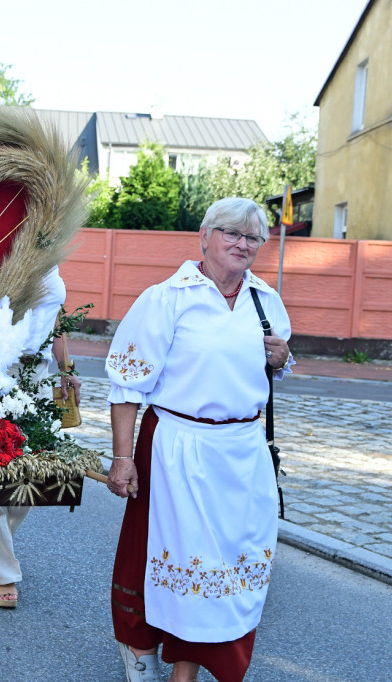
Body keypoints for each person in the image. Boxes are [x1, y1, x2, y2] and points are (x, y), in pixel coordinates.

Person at [105, 197, 294, 682]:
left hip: (243, 455)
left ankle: (201, 668)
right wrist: (122, 459)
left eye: (252, 237)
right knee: (186, 565)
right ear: (205, 237)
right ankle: (161, 662)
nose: (242, 244)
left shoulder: (265, 302)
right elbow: (127, 388)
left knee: (234, 565)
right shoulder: (166, 299)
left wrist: (279, 360)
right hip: (179, 451)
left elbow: (262, 374)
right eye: (232, 233)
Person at [0, 267, 81, 608]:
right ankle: (2, 572)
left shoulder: (53, 249)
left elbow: (56, 319)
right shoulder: (3, 243)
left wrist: (67, 369)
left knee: (32, 471)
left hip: (38, 371)